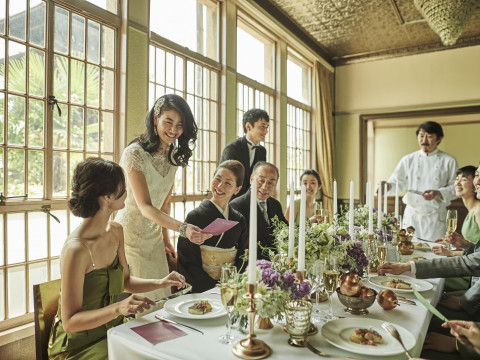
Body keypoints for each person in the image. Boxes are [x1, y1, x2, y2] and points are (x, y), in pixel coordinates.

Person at [48, 158, 186, 360]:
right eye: (122, 187)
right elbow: (70, 322)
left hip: (114, 330)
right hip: (78, 345)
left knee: (170, 346)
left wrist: (161, 281)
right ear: (106, 197)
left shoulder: (115, 230)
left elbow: (125, 281)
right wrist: (118, 308)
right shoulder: (76, 249)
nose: (127, 192)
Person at [115, 94, 211, 302]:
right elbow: (145, 207)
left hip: (154, 239)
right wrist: (184, 229)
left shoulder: (174, 157)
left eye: (180, 125)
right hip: (129, 237)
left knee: (160, 300)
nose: (174, 130)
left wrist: (166, 238)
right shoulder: (135, 154)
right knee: (140, 303)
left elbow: (164, 203)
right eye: (169, 122)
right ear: (155, 118)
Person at [379, 121, 458, 242]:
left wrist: (437, 193)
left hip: (435, 218)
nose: (424, 140)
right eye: (421, 136)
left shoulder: (449, 160)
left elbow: (455, 188)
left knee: (436, 252)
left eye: (430, 136)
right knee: (409, 250)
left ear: (439, 138)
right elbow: (397, 182)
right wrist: (388, 186)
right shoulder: (408, 159)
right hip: (412, 216)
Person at [177, 160, 248, 293]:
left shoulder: (239, 219)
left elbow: (244, 255)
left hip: (231, 286)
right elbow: (187, 260)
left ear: (237, 189)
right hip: (203, 288)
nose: (220, 186)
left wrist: (231, 283)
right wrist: (213, 288)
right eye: (217, 179)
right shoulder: (195, 216)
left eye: (228, 183)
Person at [432, 165, 480, 291]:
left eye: (464, 179)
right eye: (457, 178)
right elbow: (475, 246)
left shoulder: (478, 210)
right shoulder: (471, 210)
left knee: (431, 279)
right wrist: (456, 243)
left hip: (471, 277)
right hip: (468, 268)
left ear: (475, 185)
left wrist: (451, 252)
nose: (457, 183)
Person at [230, 161, 287, 260]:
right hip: (249, 266)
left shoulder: (275, 205)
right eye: (261, 180)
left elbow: (286, 230)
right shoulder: (237, 206)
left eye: (270, 182)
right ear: (251, 179)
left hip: (275, 264)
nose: (265, 186)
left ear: (276, 184)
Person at [219, 108, 269, 198]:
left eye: (267, 127)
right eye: (262, 126)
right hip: (231, 202)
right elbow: (226, 181)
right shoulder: (232, 149)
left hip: (252, 202)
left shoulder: (262, 151)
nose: (266, 131)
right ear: (248, 126)